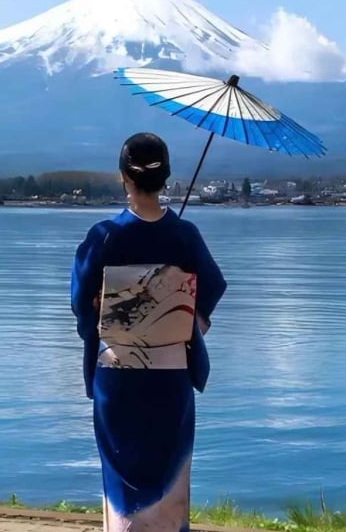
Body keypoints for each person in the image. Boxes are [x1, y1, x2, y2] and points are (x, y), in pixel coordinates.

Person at [71, 132, 226, 532]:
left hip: (117, 376)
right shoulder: (184, 236)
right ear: (167, 178)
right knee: (169, 476)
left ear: (124, 177)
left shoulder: (104, 237)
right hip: (170, 376)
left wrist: (102, 316)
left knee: (121, 474)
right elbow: (213, 287)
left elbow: (80, 301)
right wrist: (187, 320)